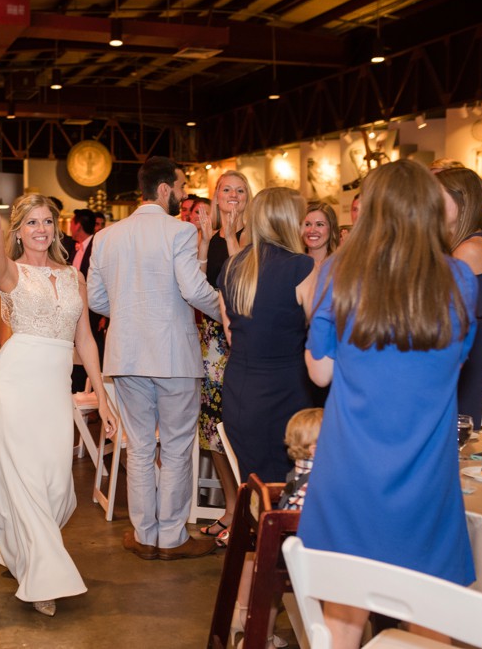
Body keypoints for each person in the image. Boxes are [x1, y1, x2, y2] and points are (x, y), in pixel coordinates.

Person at [299, 160, 477, 649]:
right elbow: (453, 369)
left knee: (342, 624)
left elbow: (320, 371)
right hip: (426, 480)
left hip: (348, 473)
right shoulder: (460, 279)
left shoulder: (340, 270)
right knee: (430, 625)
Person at [0, 141, 117, 618]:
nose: (40, 228)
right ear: (20, 229)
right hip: (13, 384)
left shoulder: (73, 277)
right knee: (30, 480)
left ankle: (8, 536)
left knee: (57, 486)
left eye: (47, 221)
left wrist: (103, 393)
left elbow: (87, 340)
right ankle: (42, 578)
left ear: (55, 228)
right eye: (31, 221)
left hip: (53, 389)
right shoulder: (7, 272)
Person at [88, 156, 220, 561]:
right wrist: (229, 314)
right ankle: (172, 538)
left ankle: (145, 536)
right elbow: (194, 290)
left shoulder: (108, 236)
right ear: (163, 190)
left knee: (141, 448)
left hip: (126, 356)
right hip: (172, 355)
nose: (183, 195)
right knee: (178, 447)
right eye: (180, 187)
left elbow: (94, 299)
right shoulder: (181, 231)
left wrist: (127, 313)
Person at [217, 188, 316, 484]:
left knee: (256, 486)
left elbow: (232, 337)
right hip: (287, 392)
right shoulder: (302, 267)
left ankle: (261, 531)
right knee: (287, 486)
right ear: (290, 221)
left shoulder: (232, 266)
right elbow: (320, 335)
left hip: (240, 393)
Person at [232, 407, 323, 645]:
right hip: (307, 555)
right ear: (315, 450)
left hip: (279, 549)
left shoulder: (295, 475)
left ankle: (262, 638)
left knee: (271, 594)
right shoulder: (319, 482)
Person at [194, 171, 250, 547]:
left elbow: (243, 280)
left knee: (237, 430)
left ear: (249, 197)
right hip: (211, 340)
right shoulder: (213, 236)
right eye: (225, 189)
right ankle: (229, 509)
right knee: (211, 432)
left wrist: (229, 235)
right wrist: (203, 241)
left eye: (239, 190)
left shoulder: (252, 238)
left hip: (241, 341)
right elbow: (200, 284)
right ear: (215, 196)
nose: (232, 195)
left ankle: (245, 513)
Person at [436, 168, 482, 426]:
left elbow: (438, 302)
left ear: (461, 200)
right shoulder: (461, 245)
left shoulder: (471, 248)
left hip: (459, 347)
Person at [69, 208, 106, 392]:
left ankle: (92, 394)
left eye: (72, 222)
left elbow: (105, 279)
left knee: (94, 353)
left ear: (78, 225)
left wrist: (104, 315)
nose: (70, 226)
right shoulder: (76, 247)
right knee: (78, 355)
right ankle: (79, 392)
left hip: (93, 312)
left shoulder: (96, 247)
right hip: (77, 311)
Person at [301, 201, 339, 267]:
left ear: (331, 229)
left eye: (319, 224)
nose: (312, 230)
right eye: (307, 224)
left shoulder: (341, 264)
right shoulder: (294, 263)